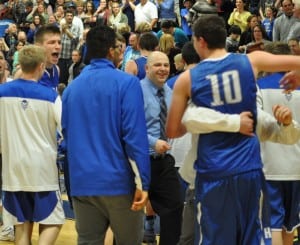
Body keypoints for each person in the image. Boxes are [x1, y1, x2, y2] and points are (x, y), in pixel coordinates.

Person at [165, 15, 300, 244]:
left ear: (199, 41)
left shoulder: (187, 79)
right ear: (225, 37)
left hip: (212, 171)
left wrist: (209, 118)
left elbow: (173, 130)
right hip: (249, 170)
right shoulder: (251, 61)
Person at [61, 25, 150, 245]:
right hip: (118, 182)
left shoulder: (72, 89)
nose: (121, 52)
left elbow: (67, 137)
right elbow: (134, 137)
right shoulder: (127, 83)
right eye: (119, 48)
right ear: (111, 51)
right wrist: (143, 183)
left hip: (82, 182)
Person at [0, 44, 65, 245]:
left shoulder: (1, 93)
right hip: (42, 169)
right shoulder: (51, 96)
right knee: (55, 220)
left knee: (21, 226)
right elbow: (66, 129)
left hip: (13, 169)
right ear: (41, 66)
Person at [257, 41, 300, 245]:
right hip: (297, 166)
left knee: (272, 224)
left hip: (269, 165)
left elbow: (255, 125)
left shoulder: (259, 86)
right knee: (290, 226)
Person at [140, 51, 183, 245]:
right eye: (157, 65)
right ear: (147, 68)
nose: (163, 69)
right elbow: (129, 128)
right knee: (128, 213)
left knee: (174, 207)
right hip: (139, 162)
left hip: (163, 162)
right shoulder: (136, 91)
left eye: (166, 65)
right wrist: (152, 142)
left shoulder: (170, 92)